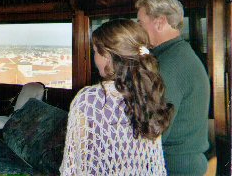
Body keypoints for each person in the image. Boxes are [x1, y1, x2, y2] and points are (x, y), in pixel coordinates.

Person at [60, 19, 173, 175]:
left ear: (107, 55)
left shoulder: (88, 100)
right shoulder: (149, 94)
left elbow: (74, 166)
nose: (94, 59)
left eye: (95, 51)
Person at [136, 0, 210, 175]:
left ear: (159, 22)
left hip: (173, 168)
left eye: (140, 23)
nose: (137, 30)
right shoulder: (180, 54)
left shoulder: (168, 65)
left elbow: (153, 133)